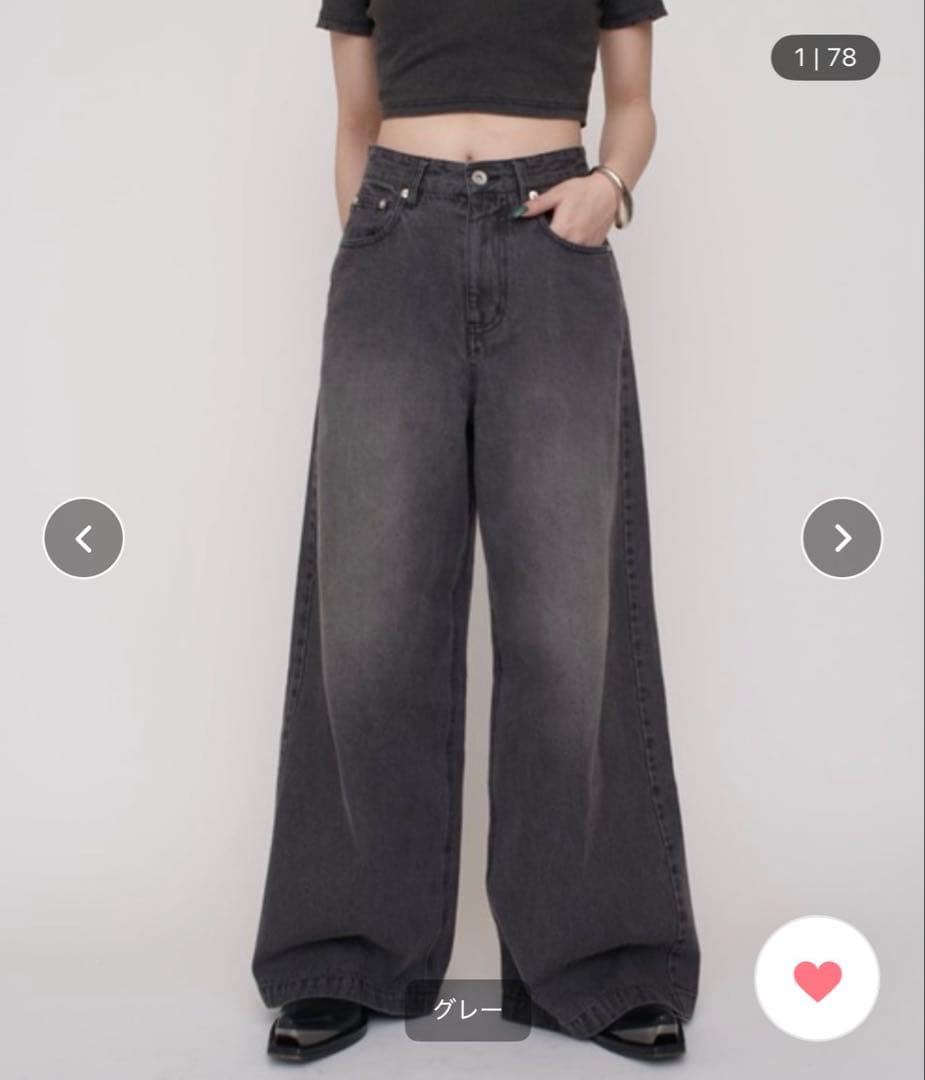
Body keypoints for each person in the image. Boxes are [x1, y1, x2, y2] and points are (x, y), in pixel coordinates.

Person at [250, 0, 700, 1064]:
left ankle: (600, 960)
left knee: (569, 618)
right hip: (393, 237)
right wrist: (375, 239)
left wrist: (610, 187)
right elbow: (354, 119)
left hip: (554, 234)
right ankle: (343, 954)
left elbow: (633, 102)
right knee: (368, 616)